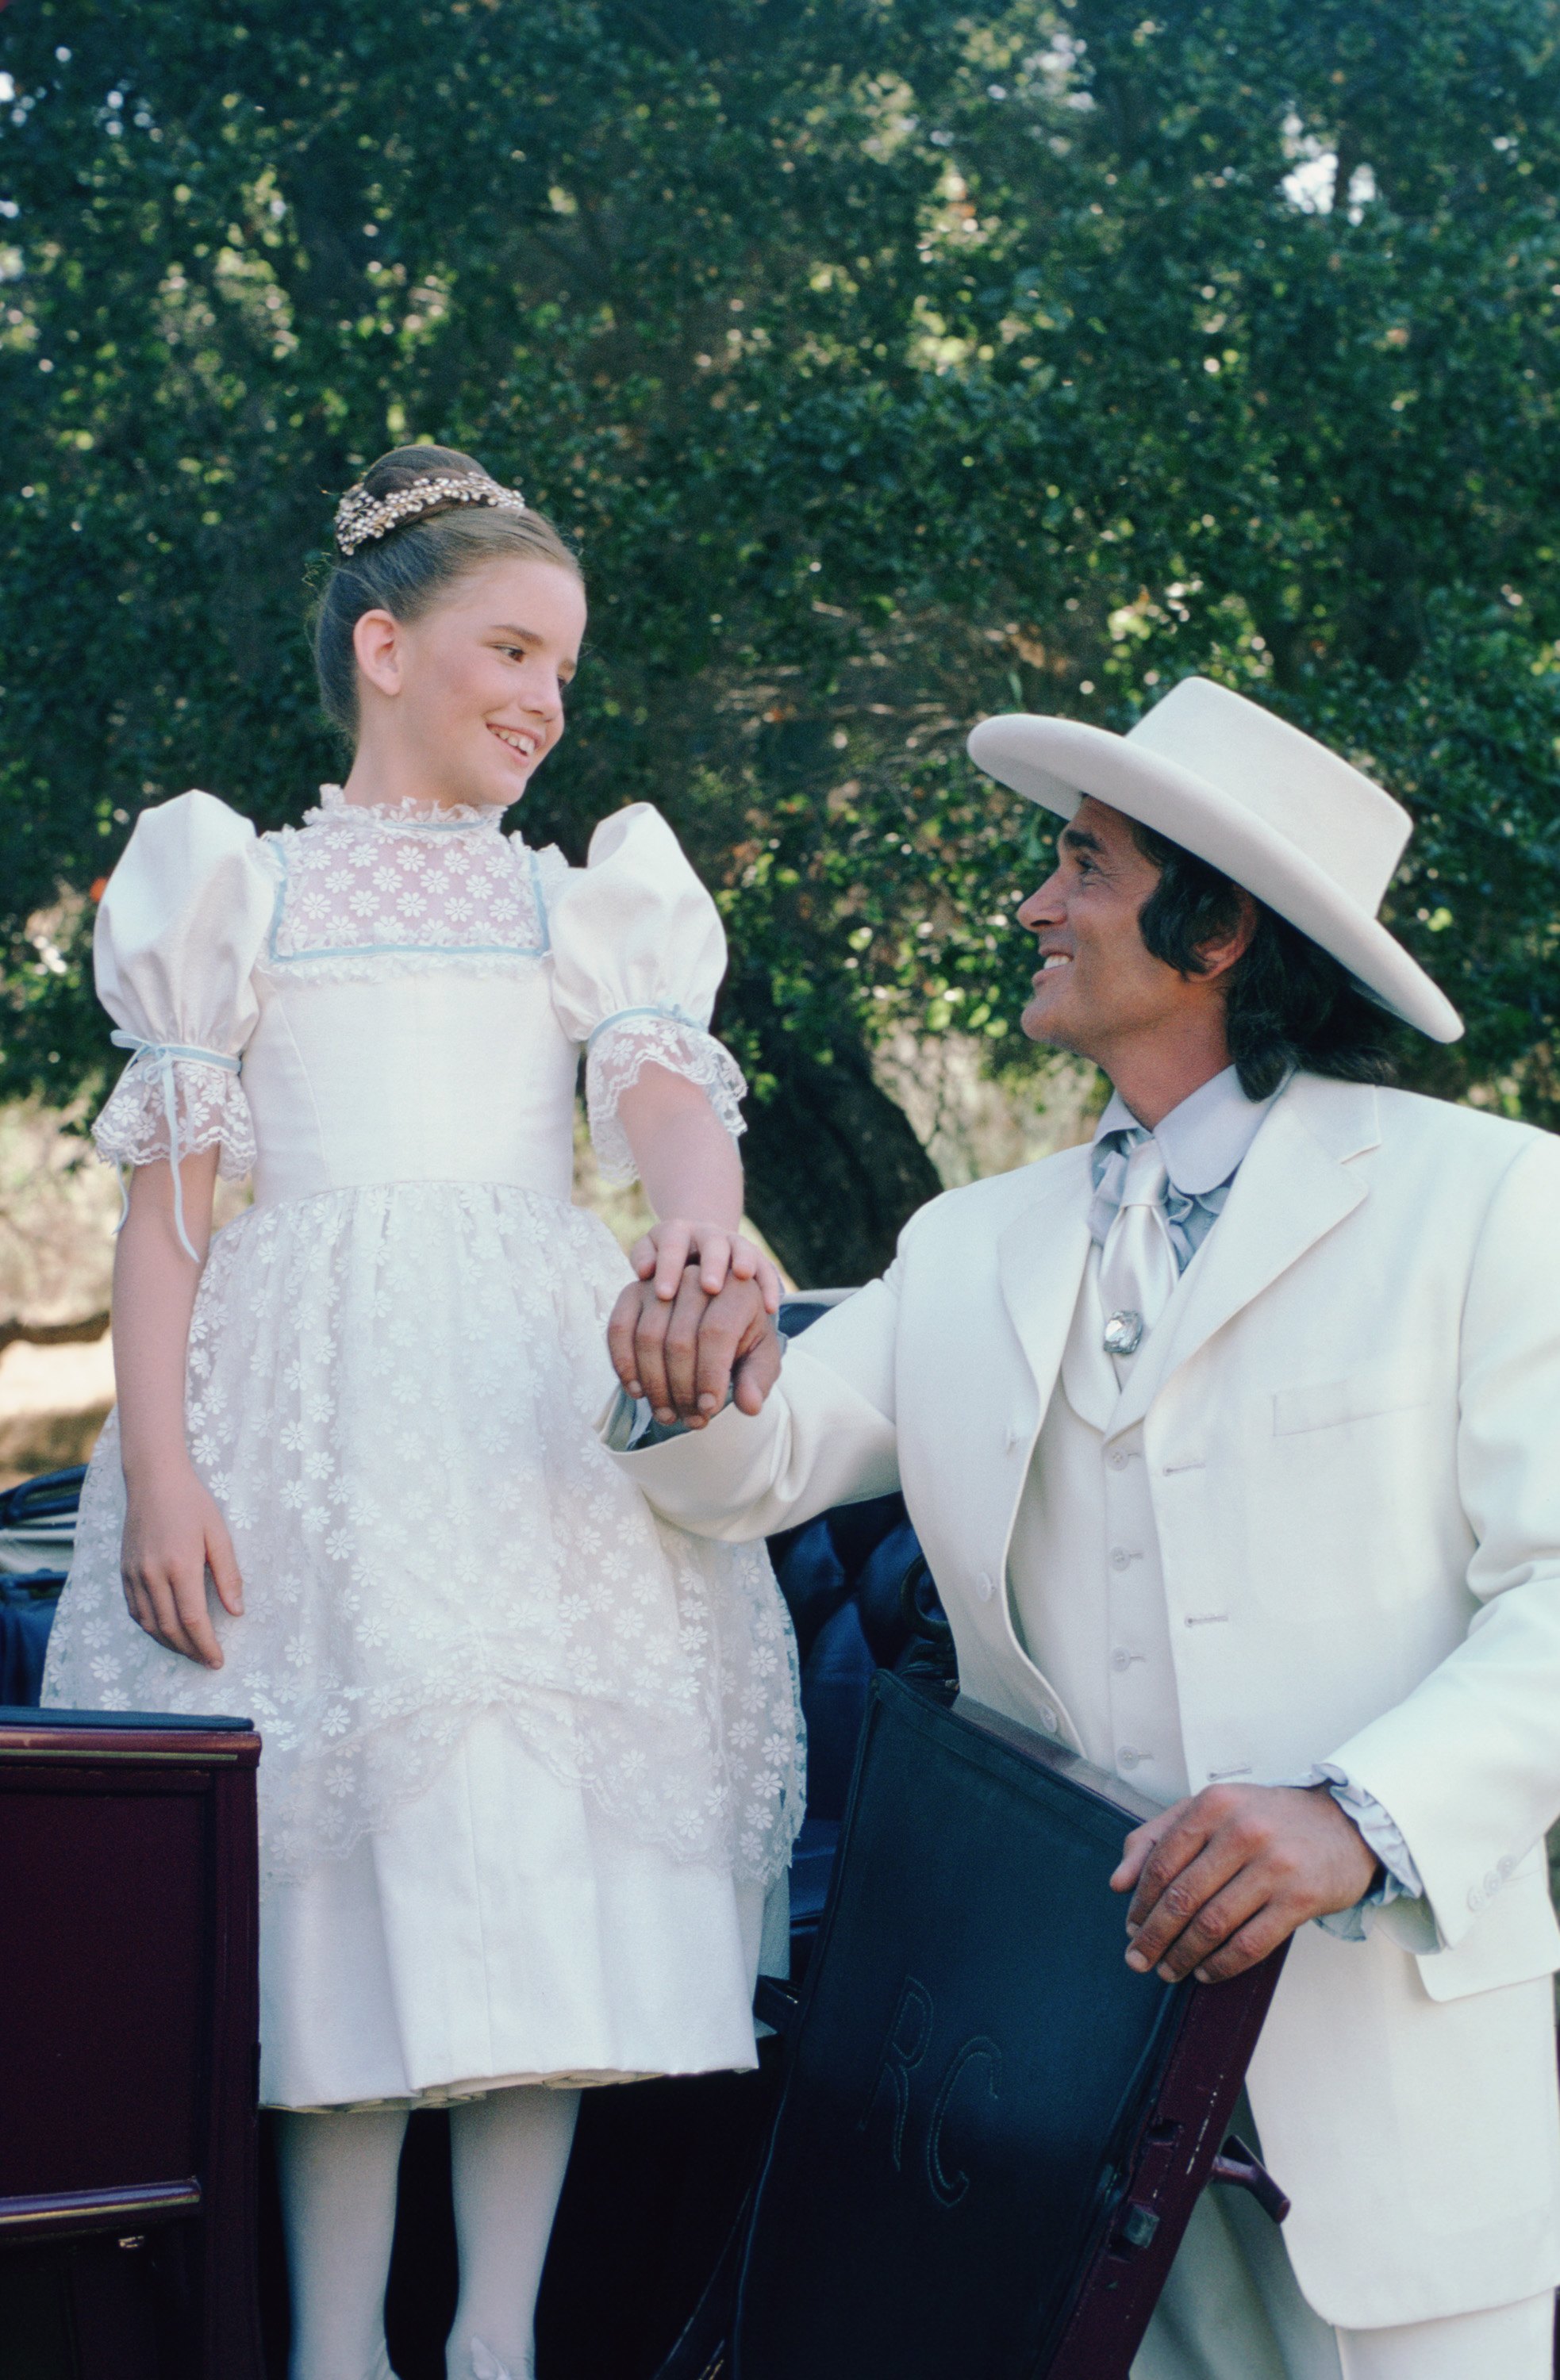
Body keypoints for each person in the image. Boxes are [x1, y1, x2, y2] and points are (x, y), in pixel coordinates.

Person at [601, 674, 1560, 2378]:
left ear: (1215, 931)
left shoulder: (1485, 1201)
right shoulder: (968, 1242)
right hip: (1048, 2105)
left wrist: (1358, 1815)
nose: (1034, 905)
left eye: (1085, 868)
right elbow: (761, 1462)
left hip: (1388, 2116)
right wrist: (687, 1368)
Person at [43, 445, 804, 2380]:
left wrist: (701, 1221)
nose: (545, 700)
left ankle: (494, 2340)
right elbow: (171, 1223)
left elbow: (656, 1096)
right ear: (385, 647)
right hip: (305, 1427)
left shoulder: (578, 906)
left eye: (565, 667)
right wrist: (159, 1475)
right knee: (345, 1865)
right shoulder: (241, 891)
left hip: (517, 1416)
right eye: (511, 650)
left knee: (514, 1852)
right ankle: (332, 2348)